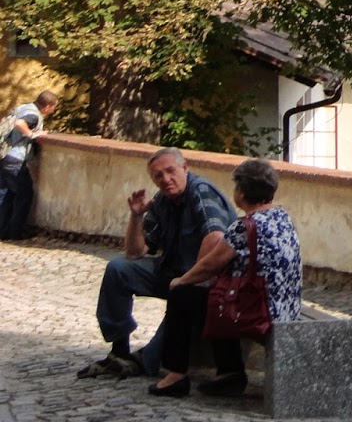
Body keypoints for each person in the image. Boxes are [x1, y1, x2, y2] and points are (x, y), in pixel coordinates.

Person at [77, 147, 236, 379]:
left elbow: (215, 238)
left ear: (185, 168)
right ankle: (119, 350)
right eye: (158, 175)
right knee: (118, 269)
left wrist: (188, 279)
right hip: (172, 271)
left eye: (170, 171)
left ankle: (143, 361)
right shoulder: (161, 200)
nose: (165, 179)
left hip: (209, 278)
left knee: (183, 295)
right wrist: (136, 216)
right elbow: (135, 252)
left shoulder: (201, 191)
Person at [151, 158, 302, 397]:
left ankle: (176, 375)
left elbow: (209, 265)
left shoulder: (245, 226)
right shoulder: (282, 217)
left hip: (262, 311)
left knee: (183, 297)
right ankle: (229, 372)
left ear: (240, 192)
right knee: (217, 296)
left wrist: (181, 281)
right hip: (286, 307)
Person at [0, 89, 60, 239]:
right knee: (25, 194)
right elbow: (20, 123)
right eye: (53, 107)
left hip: (4, 155)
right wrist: (32, 134)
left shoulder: (22, 107)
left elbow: (4, 121)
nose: (53, 111)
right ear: (47, 106)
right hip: (15, 158)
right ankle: (15, 232)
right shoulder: (33, 115)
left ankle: (4, 231)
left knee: (7, 194)